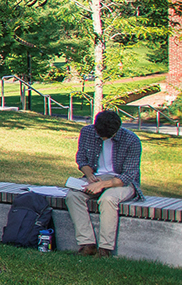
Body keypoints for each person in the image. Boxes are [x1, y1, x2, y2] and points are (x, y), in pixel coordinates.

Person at [65, 110, 142, 257]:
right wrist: (89, 176)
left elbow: (128, 176)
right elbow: (81, 158)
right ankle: (87, 244)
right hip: (95, 177)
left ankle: (105, 249)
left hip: (121, 181)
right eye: (100, 135)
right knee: (73, 196)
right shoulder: (87, 132)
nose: (102, 137)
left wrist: (101, 185)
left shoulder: (132, 140)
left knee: (108, 199)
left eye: (107, 136)